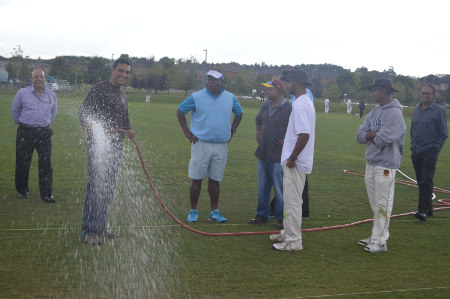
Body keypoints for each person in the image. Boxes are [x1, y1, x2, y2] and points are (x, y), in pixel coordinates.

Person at [78, 57, 135, 246]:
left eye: (127, 72)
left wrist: (129, 130)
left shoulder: (122, 93)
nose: (124, 75)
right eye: (121, 71)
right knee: (96, 188)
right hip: (99, 147)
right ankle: (88, 232)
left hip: (116, 147)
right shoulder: (99, 89)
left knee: (108, 189)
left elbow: (124, 117)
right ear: (113, 70)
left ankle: (101, 227)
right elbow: (83, 112)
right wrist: (88, 124)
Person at [176, 70, 243, 223]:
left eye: (215, 80)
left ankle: (214, 211)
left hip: (221, 145)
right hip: (201, 143)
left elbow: (239, 113)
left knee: (215, 180)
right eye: (209, 79)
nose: (211, 82)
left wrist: (232, 130)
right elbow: (180, 111)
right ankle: (193, 210)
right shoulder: (196, 97)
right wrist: (186, 131)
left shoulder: (230, 98)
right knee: (196, 179)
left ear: (222, 82)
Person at [356, 79, 406, 253]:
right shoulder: (373, 112)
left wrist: (371, 136)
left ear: (384, 92)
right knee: (375, 203)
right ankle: (375, 236)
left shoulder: (395, 114)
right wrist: (371, 135)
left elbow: (383, 139)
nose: (373, 94)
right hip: (371, 162)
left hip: (386, 164)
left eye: (375, 90)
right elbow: (359, 136)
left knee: (383, 203)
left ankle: (380, 241)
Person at [270, 69, 316, 251]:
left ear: (295, 82)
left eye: (288, 82)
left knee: (293, 202)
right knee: (291, 200)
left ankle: (294, 241)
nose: (286, 85)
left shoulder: (299, 104)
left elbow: (304, 134)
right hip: (296, 161)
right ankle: (288, 233)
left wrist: (293, 157)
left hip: (295, 163)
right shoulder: (303, 102)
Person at [249, 79, 291, 229]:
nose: (267, 92)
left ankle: (281, 218)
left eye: (270, 89)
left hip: (278, 155)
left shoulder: (288, 107)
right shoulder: (266, 104)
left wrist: (287, 139)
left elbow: (295, 127)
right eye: (267, 89)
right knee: (262, 187)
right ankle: (262, 215)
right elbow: (258, 119)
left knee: (279, 188)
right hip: (263, 152)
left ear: (280, 91)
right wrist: (258, 131)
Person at [11, 68, 57, 203]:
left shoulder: (52, 95)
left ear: (45, 79)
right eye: (36, 77)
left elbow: (53, 113)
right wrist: (24, 124)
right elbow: (15, 111)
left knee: (46, 164)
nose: (39, 79)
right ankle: (22, 190)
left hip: (44, 133)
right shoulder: (22, 93)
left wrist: (43, 124)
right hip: (26, 132)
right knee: (23, 162)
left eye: (41, 77)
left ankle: (46, 194)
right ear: (31, 79)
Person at [410, 84, 448, 221]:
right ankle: (429, 209)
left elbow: (443, 134)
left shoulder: (438, 111)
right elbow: (412, 130)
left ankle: (422, 211)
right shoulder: (416, 110)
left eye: (427, 93)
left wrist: (435, 148)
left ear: (433, 96)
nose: (424, 95)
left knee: (426, 180)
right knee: (421, 181)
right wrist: (412, 146)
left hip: (430, 151)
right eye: (422, 93)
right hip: (416, 150)